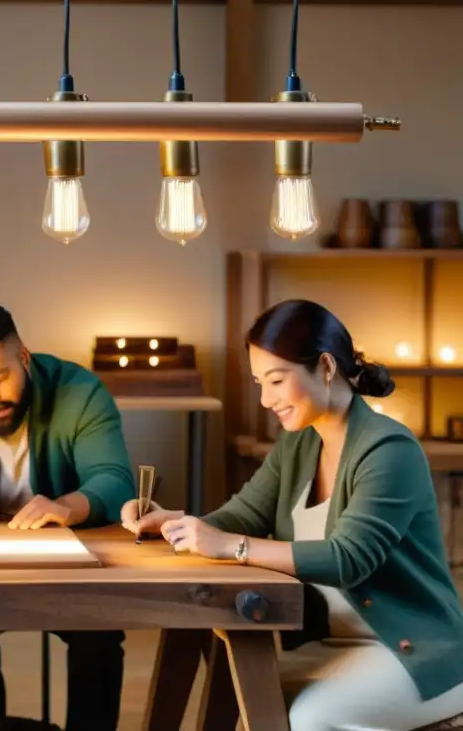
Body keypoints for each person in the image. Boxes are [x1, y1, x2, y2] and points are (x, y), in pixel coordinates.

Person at [122, 299, 463, 731]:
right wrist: (174, 522)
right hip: (331, 646)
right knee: (247, 694)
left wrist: (230, 546)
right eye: (259, 383)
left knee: (305, 720)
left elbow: (347, 559)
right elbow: (241, 516)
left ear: (325, 367)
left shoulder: (389, 450)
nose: (266, 400)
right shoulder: (299, 443)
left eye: (277, 381)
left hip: (412, 654)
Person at [0, 303, 135, 731]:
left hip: (72, 568)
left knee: (100, 631)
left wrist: (67, 506)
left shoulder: (80, 391)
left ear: (25, 358)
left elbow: (114, 480)